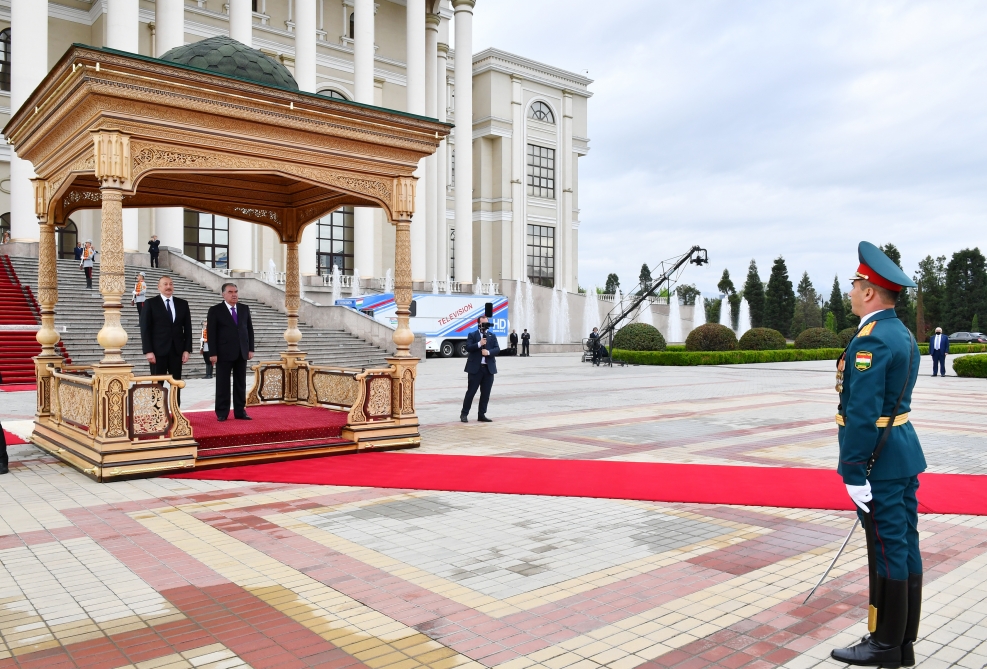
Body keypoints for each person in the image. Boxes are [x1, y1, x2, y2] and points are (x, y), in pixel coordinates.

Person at [830, 241, 926, 668]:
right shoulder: (900, 332)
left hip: (878, 461)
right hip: (901, 453)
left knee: (886, 547)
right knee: (904, 543)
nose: (850, 290)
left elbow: (862, 413)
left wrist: (852, 469)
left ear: (869, 291)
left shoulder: (871, 342)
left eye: (854, 284)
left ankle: (884, 644)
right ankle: (902, 643)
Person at [139, 276, 193, 405]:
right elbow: (145, 328)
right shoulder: (151, 303)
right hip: (157, 352)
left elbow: (188, 328)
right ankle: (158, 416)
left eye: (171, 284)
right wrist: (148, 351)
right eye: (165, 284)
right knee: (158, 384)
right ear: (159, 287)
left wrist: (187, 350)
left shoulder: (182, 304)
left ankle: (176, 413)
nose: (168, 287)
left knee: (176, 383)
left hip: (177, 351)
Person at [207, 283, 255, 421]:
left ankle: (240, 411)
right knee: (223, 383)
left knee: (240, 383)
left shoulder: (244, 308)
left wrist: (250, 348)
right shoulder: (215, 310)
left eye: (236, 291)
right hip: (223, 353)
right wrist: (213, 353)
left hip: (241, 352)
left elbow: (249, 330)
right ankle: (222, 412)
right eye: (230, 292)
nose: (234, 294)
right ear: (223, 294)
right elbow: (212, 333)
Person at [460, 315, 500, 423]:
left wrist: (488, 352)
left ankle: (481, 414)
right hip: (475, 369)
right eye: (483, 323)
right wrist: (479, 344)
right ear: (478, 324)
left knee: (485, 393)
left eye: (487, 323)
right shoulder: (472, 335)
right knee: (471, 392)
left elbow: (497, 349)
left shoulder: (492, 335)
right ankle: (464, 413)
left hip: (488, 369)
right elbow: (468, 347)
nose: (485, 326)